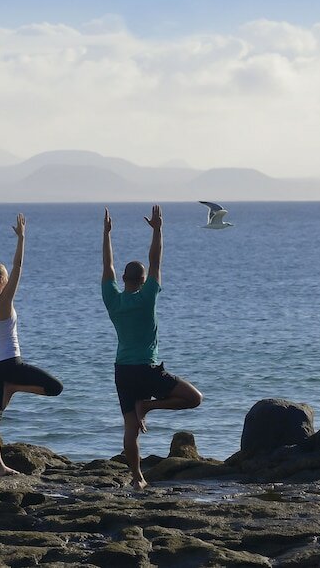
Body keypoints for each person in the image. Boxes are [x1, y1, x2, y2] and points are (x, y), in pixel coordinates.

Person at [101, 205, 203, 489]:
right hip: (146, 369)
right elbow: (155, 260)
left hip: (122, 371)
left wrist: (106, 234)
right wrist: (158, 230)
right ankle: (148, 405)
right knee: (194, 398)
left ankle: (137, 479)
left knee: (130, 430)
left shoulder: (112, 299)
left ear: (123, 280)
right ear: (144, 281)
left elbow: (107, 267)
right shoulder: (147, 297)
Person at [0, 213, 63, 476]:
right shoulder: (2, 300)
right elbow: (18, 266)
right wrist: (22, 238)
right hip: (10, 363)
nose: (9, 279)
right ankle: (15, 386)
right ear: (1, 280)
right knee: (55, 388)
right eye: (6, 277)